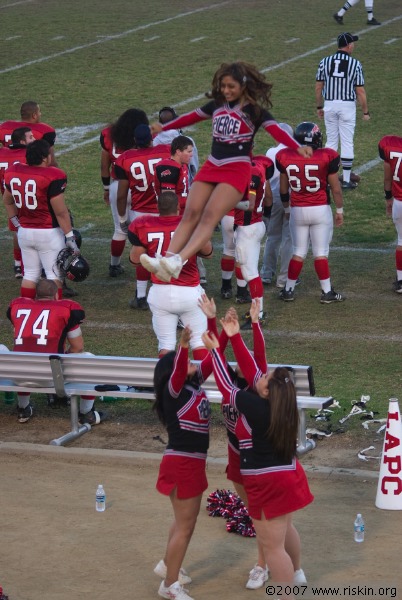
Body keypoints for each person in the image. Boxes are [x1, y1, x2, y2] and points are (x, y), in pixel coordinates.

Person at [140, 61, 313, 283]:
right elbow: (192, 116)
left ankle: (177, 261)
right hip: (213, 164)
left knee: (209, 217)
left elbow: (276, 131)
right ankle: (167, 260)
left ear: (243, 85)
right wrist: (165, 127)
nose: (226, 90)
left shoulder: (255, 111)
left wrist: (296, 147)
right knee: (191, 212)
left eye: (231, 86)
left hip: (236, 169)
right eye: (223, 86)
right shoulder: (217, 104)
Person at [202, 313, 313, 590]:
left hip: (267, 481)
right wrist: (234, 335)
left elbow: (226, 386)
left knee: (273, 548)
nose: (259, 375)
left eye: (264, 377)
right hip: (288, 474)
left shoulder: (256, 406)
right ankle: (297, 573)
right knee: (285, 530)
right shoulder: (282, 403)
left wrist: (214, 351)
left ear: (266, 391)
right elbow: (250, 368)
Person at [198, 295, 272, 589]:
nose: (249, 360)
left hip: (256, 457)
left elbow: (257, 356)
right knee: (253, 510)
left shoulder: (255, 387)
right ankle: (273, 558)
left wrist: (254, 324)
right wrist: (212, 320)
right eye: (245, 358)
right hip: (235, 452)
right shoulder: (228, 379)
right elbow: (215, 352)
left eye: (251, 360)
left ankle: (262, 565)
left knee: (260, 512)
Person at [152, 325, 211, 600]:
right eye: (183, 361)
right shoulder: (173, 391)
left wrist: (216, 328)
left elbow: (214, 359)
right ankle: (169, 585)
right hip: (182, 463)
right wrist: (184, 344)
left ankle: (167, 565)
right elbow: (177, 373)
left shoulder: (192, 385)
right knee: (185, 526)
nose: (190, 362)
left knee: (184, 522)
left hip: (192, 463)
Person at [6, 279, 104, 425]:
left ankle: (23, 407)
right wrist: (65, 356)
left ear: (35, 294)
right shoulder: (66, 309)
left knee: (10, 351)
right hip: (51, 377)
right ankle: (86, 413)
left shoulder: (17, 306)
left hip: (18, 376)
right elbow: (77, 347)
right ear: (56, 295)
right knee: (89, 359)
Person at [129, 191, 212, 359]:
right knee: (198, 342)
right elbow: (207, 252)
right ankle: (201, 376)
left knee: (166, 344)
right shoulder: (190, 224)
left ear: (157, 207)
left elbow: (135, 260)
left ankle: (167, 377)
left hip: (160, 293)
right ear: (178, 207)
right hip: (190, 292)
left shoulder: (144, 224)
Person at [276, 122, 345, 303]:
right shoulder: (327, 155)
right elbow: (336, 189)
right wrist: (339, 210)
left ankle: (288, 290)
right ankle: (327, 292)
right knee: (320, 252)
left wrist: (287, 209)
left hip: (297, 210)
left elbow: (283, 190)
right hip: (320, 209)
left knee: (298, 251)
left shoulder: (284, 156)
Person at [3, 139, 80, 299]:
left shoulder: (13, 172)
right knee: (54, 275)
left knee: (30, 274)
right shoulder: (53, 175)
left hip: (24, 232)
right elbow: (61, 212)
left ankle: (27, 307)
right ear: (45, 157)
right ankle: (55, 310)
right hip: (48, 233)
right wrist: (70, 237)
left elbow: (7, 201)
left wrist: (17, 223)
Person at [115, 125, 171, 309]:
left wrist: (122, 219)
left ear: (134, 140)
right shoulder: (165, 151)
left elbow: (121, 195)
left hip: (140, 213)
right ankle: (167, 292)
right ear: (151, 138)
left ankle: (140, 296)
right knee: (167, 251)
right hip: (165, 209)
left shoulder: (125, 158)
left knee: (142, 253)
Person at [315, 33, 370, 190]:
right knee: (346, 141)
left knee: (331, 141)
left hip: (330, 104)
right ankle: (346, 179)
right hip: (347, 106)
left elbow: (318, 87)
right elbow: (360, 91)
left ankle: (327, 178)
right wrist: (365, 111)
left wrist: (319, 106)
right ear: (349, 45)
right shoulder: (355, 64)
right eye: (353, 43)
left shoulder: (324, 62)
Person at [99, 108, 149, 277]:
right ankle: (145, 265)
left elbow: (104, 166)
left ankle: (114, 265)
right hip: (138, 186)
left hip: (116, 185)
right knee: (143, 229)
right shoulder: (143, 136)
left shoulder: (108, 134)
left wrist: (106, 189)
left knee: (120, 229)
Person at [233, 156, 273, 328]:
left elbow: (249, 205)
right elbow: (268, 196)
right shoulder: (259, 166)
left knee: (250, 273)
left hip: (248, 227)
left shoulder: (251, 173)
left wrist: (226, 202)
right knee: (249, 270)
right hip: (252, 225)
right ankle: (256, 310)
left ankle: (259, 314)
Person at [260, 123, 295, 289]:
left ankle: (266, 273)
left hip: (273, 197)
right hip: (290, 197)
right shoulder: (295, 151)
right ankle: (285, 277)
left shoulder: (270, 152)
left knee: (272, 237)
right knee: (288, 239)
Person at [0, 127, 35, 278]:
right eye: (31, 137)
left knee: (18, 230)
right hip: (28, 198)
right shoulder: (29, 154)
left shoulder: (2, 153)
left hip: (9, 198)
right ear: (22, 141)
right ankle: (29, 264)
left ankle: (17, 264)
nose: (34, 139)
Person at [378, 134, 402, 293]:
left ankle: (400, 281)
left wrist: (388, 198)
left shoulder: (390, 145)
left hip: (399, 202)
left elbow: (387, 179)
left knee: (401, 240)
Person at [0, 101, 58, 165]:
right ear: (34, 115)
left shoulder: (5, 126)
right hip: (28, 167)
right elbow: (50, 161)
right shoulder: (44, 130)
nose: (40, 114)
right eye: (39, 112)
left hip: (5, 163)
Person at [153, 106, 199, 185]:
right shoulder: (188, 141)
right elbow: (193, 167)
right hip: (184, 185)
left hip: (162, 184)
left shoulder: (154, 143)